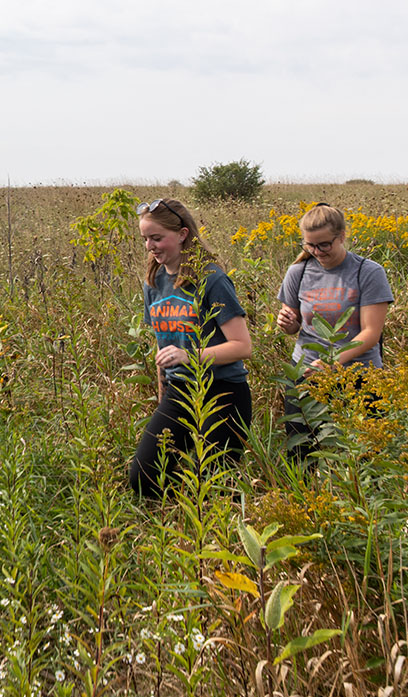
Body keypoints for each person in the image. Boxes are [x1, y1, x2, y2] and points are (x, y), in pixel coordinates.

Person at [130, 198, 253, 497]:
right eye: (145, 239)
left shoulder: (212, 278)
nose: (150, 246)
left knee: (212, 484)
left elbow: (242, 346)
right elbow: (163, 348)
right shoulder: (154, 282)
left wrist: (190, 356)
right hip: (180, 391)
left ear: (183, 234)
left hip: (223, 390)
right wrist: (163, 398)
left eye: (157, 238)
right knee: (144, 479)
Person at [275, 203, 393, 458]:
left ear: (341, 237)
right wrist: (288, 324)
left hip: (361, 375)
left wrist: (331, 362)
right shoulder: (298, 271)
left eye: (324, 245)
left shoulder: (368, 272)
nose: (316, 252)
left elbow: (371, 332)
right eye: (309, 245)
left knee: (368, 457)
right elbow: (294, 325)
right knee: (301, 454)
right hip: (307, 372)